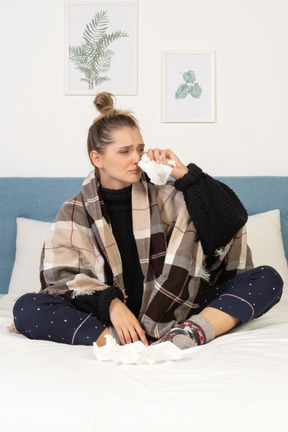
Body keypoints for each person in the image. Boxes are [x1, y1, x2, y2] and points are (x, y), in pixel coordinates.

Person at [13, 92, 283, 349]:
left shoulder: (169, 196)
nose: (137, 158)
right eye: (125, 151)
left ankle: (188, 333)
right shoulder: (73, 212)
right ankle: (114, 342)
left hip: (180, 310)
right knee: (26, 307)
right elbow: (62, 283)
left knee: (268, 279)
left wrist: (184, 174)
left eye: (140, 149)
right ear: (97, 158)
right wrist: (112, 306)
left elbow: (231, 220)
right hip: (106, 320)